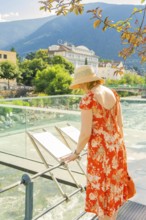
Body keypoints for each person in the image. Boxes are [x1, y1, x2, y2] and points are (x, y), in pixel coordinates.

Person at [63, 65, 129, 220]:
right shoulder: (113, 93)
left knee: (102, 192)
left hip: (101, 152)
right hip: (117, 147)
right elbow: (120, 123)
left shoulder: (89, 98)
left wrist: (76, 153)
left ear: (84, 83)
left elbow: (86, 133)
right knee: (112, 189)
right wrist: (118, 146)